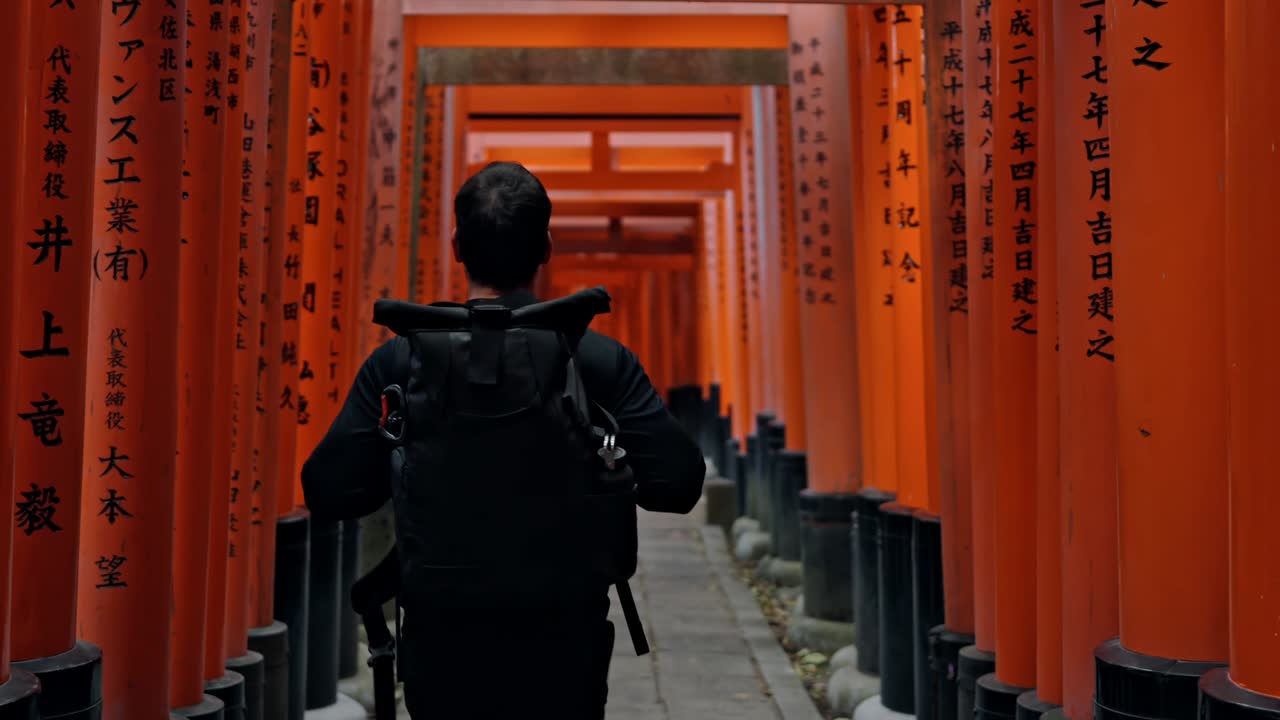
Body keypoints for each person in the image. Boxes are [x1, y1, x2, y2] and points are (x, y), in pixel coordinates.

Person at [301, 161, 706, 719]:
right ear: (546, 248)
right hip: (565, 632)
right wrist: (603, 460)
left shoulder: (402, 359)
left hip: (441, 631)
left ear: (456, 246)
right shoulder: (594, 360)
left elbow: (329, 490)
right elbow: (678, 484)